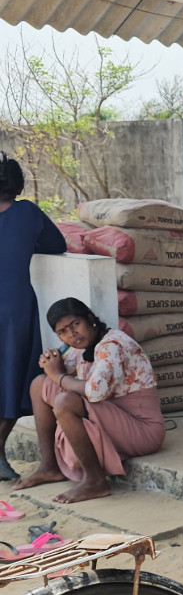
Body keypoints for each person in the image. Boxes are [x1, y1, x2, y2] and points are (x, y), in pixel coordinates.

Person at [13, 298, 164, 503]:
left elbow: (94, 392)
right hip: (112, 417)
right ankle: (50, 466)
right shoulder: (80, 347)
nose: (72, 335)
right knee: (39, 384)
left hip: (142, 428)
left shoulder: (113, 344)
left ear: (90, 319)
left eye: (76, 324)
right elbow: (58, 372)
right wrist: (51, 363)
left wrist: (57, 375)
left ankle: (95, 481)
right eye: (63, 332)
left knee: (65, 401)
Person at [0, 152, 67, 481]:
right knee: (14, 379)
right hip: (14, 307)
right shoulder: (26, 212)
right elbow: (57, 243)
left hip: (13, 305)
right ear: (16, 185)